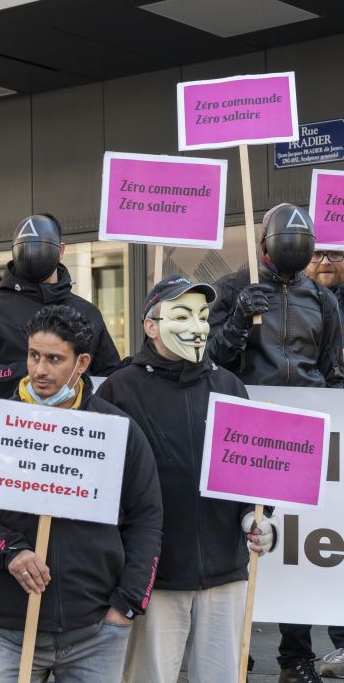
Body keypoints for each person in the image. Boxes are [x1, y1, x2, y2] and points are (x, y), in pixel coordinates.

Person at [0, 304, 162, 683]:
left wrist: (127, 605)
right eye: (33, 356)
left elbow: (147, 519)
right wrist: (10, 550)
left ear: (83, 363)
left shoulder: (116, 429)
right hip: (11, 629)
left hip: (96, 631)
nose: (40, 370)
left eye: (55, 359)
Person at [96, 275, 278, 683]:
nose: (197, 326)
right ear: (150, 325)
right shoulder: (118, 391)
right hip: (154, 579)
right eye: (182, 315)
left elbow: (251, 475)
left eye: (202, 316)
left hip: (224, 574)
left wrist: (256, 518)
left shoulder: (229, 386)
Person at [207, 204, 344, 683]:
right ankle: (235, 650)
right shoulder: (233, 289)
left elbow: (329, 369)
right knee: (240, 537)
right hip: (246, 429)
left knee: (296, 544)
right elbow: (214, 359)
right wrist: (240, 318)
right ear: (264, 242)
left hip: (302, 430)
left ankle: (295, 657)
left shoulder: (322, 301)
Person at [0, 214, 121, 473]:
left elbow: (108, 377)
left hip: (72, 441)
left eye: (41, 246)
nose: (33, 254)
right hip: (6, 438)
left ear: (61, 250)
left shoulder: (87, 313)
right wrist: (24, 373)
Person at [303, 249, 344, 679]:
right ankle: (294, 656)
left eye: (336, 252)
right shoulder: (293, 298)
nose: (326, 261)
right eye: (317, 254)